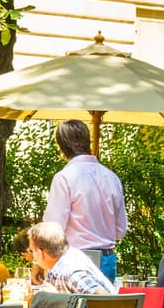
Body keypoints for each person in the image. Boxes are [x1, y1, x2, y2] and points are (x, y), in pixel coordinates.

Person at [43, 118, 128, 283]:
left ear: (61, 147)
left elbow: (53, 230)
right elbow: (120, 231)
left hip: (75, 260)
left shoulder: (64, 178)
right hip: (106, 259)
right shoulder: (111, 177)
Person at [28, 221, 116, 293]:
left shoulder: (72, 271)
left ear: (40, 253)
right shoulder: (58, 264)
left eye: (31, 250)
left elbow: (103, 298)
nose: (33, 256)